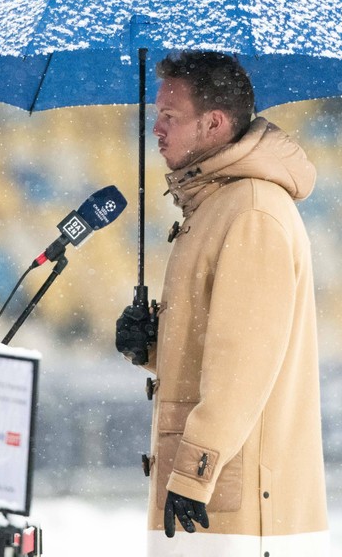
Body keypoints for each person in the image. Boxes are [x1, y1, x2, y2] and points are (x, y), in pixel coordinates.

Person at [116, 51, 329, 556]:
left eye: (169, 116)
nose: (156, 129)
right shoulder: (217, 206)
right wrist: (153, 345)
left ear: (213, 123)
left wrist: (194, 470)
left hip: (239, 510)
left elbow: (244, 365)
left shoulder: (251, 211)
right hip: (217, 502)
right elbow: (213, 345)